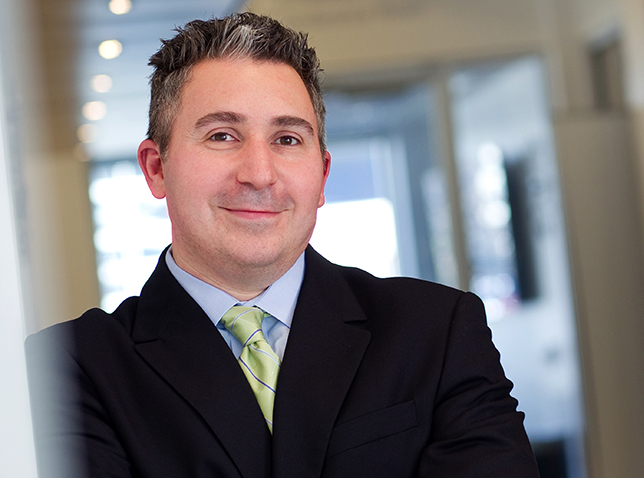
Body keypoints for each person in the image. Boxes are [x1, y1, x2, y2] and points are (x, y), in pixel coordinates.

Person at [26, 13, 540, 478]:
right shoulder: (69, 368)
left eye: (288, 139)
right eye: (223, 135)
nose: (258, 174)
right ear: (156, 168)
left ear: (321, 175)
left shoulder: (435, 329)